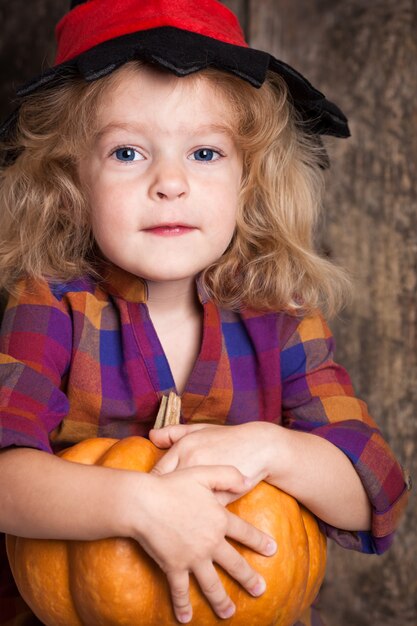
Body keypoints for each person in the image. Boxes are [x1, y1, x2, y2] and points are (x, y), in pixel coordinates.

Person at [0, 1, 410, 625]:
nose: (170, 183)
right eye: (128, 153)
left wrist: (272, 451)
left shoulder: (279, 313)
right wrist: (140, 504)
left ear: (250, 179)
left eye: (206, 154)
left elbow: (374, 490)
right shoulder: (54, 302)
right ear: (70, 180)